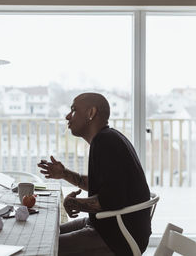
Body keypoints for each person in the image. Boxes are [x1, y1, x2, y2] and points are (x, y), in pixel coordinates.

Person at [37, 93, 151, 256]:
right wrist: (64, 174)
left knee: (43, 247)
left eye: (73, 110)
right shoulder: (108, 138)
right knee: (45, 235)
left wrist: (75, 203)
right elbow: (102, 185)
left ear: (91, 113)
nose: (68, 116)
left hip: (118, 236)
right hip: (106, 223)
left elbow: (111, 200)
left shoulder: (105, 142)